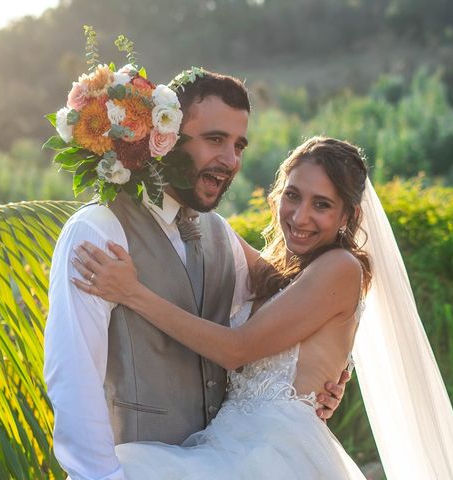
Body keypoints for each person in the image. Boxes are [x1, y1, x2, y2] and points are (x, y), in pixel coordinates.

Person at [74, 136, 453, 479]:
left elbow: (236, 349)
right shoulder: (280, 269)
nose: (300, 216)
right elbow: (202, 222)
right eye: (293, 195)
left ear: (347, 215)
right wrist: (138, 153)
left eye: (321, 205)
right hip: (233, 444)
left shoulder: (340, 267)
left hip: (274, 457)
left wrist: (132, 293)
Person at [44, 72, 348, 480]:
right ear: (164, 137)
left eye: (239, 145)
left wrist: (317, 385)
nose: (231, 160)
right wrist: (101, 476)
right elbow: (73, 376)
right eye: (214, 140)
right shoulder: (99, 231)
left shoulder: (220, 234)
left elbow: (289, 313)